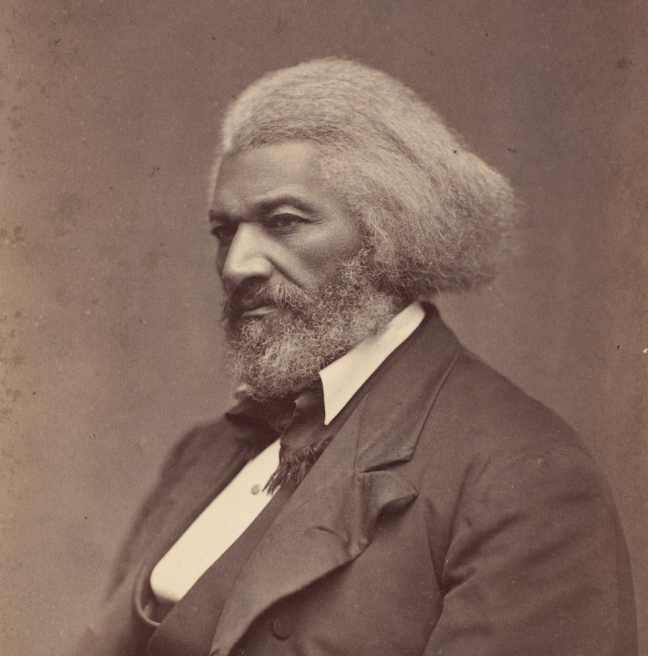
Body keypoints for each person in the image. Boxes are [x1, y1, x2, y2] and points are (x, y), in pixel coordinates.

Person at [76, 58, 637, 656]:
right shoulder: (201, 454)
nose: (238, 265)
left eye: (283, 221)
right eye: (224, 231)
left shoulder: (521, 474)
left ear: (388, 232)